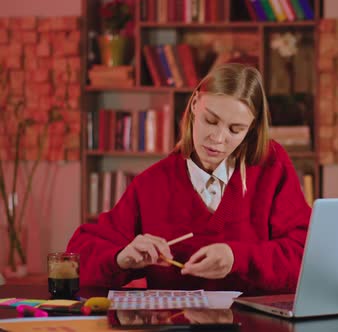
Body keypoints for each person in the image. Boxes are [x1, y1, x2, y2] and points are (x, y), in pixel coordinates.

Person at [67, 63, 312, 295]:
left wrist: (237, 258)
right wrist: (121, 258)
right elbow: (78, 256)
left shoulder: (272, 165)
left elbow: (306, 255)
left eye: (235, 130)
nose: (217, 138)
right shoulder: (152, 184)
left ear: (252, 128)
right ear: (195, 103)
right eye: (210, 120)